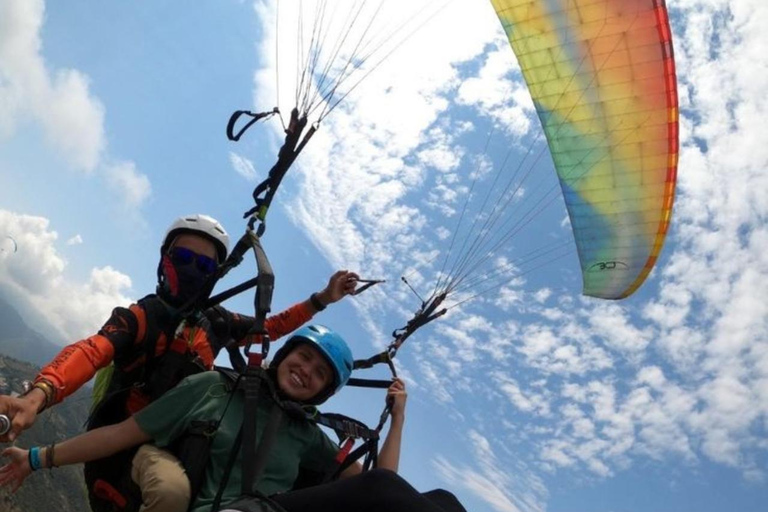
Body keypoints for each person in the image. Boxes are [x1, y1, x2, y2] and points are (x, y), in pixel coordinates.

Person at [0, 214, 359, 510]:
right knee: (171, 493)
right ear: (165, 261)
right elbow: (93, 351)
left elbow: (270, 328)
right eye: (183, 259)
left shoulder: (215, 323)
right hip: (123, 447)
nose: (191, 270)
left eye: (203, 265)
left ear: (214, 276)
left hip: (179, 449)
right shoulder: (142, 317)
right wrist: (39, 395)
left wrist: (323, 298)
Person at [0, 325, 467, 512]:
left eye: (320, 373)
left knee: (443, 499)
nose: (306, 372)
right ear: (284, 355)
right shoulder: (215, 389)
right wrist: (37, 458)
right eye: (303, 358)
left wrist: (398, 418)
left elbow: (382, 490)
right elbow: (124, 434)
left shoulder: (307, 436)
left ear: (326, 389)